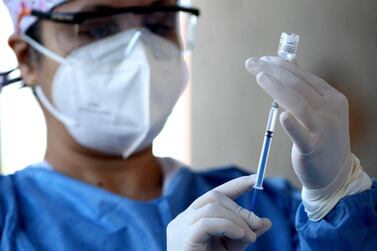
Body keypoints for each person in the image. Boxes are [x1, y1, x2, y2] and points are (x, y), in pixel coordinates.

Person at [0, 0, 376, 250]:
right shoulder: (8, 221)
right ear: (27, 58)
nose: (141, 53)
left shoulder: (269, 211)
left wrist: (338, 195)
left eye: (159, 23)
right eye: (97, 29)